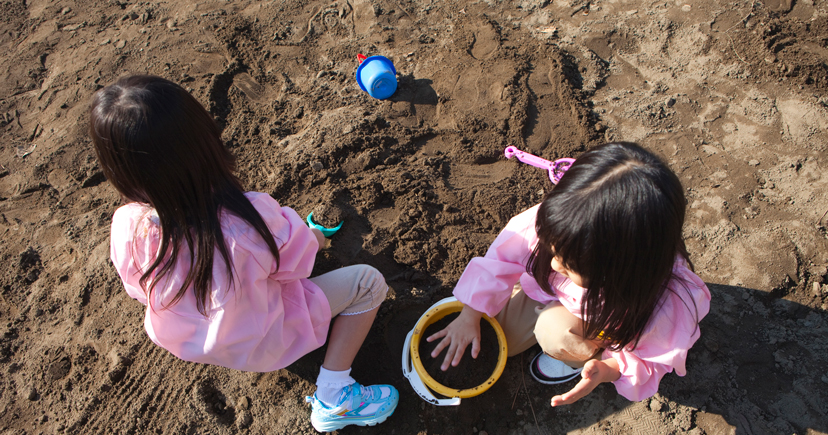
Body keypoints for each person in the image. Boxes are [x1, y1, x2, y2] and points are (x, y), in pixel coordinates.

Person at [89, 75, 398, 432]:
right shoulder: (245, 219)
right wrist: (315, 237)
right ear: (204, 142)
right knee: (368, 283)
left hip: (193, 341)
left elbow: (136, 289)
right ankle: (334, 394)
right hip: (267, 339)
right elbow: (298, 263)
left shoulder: (128, 225)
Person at [427, 142, 711, 405]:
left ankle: (580, 355)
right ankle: (537, 313)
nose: (554, 264)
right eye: (554, 251)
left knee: (555, 335)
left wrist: (608, 369)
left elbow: (652, 359)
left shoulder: (663, 303)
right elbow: (500, 260)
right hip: (549, 292)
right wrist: (470, 315)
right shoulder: (567, 224)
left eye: (570, 264)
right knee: (503, 341)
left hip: (600, 323)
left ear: (621, 271)